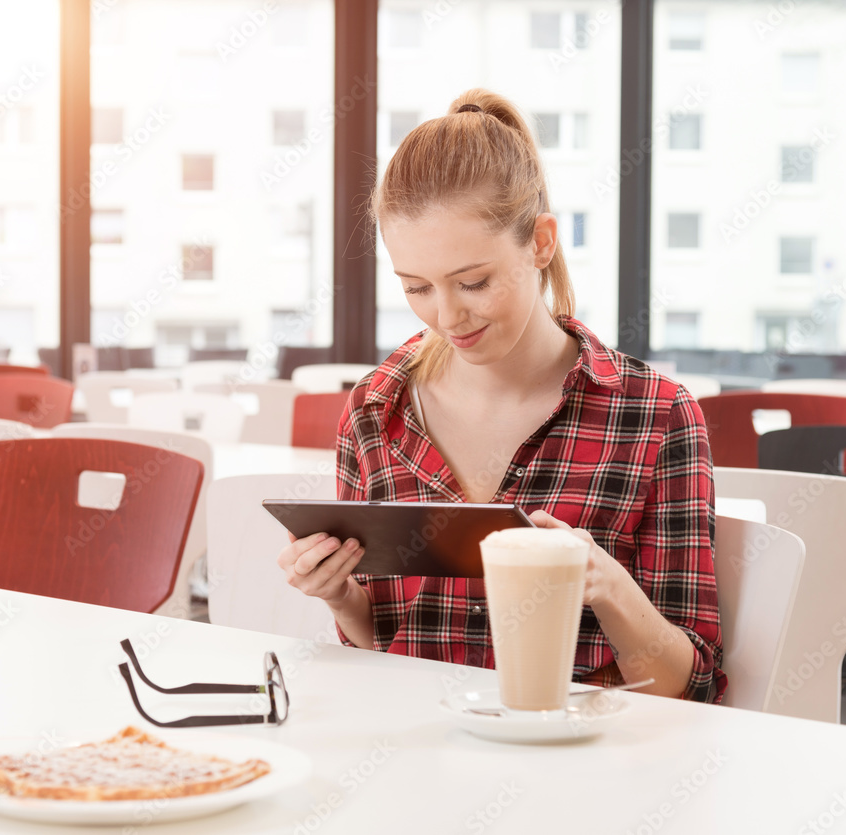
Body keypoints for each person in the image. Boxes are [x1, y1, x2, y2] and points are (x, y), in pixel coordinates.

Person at [277, 89, 725, 704]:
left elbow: (689, 686)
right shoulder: (375, 412)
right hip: (414, 758)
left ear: (541, 243)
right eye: (417, 288)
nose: (448, 315)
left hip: (580, 771)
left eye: (473, 282)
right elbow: (381, 644)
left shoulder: (655, 415)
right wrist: (339, 595)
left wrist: (605, 584)